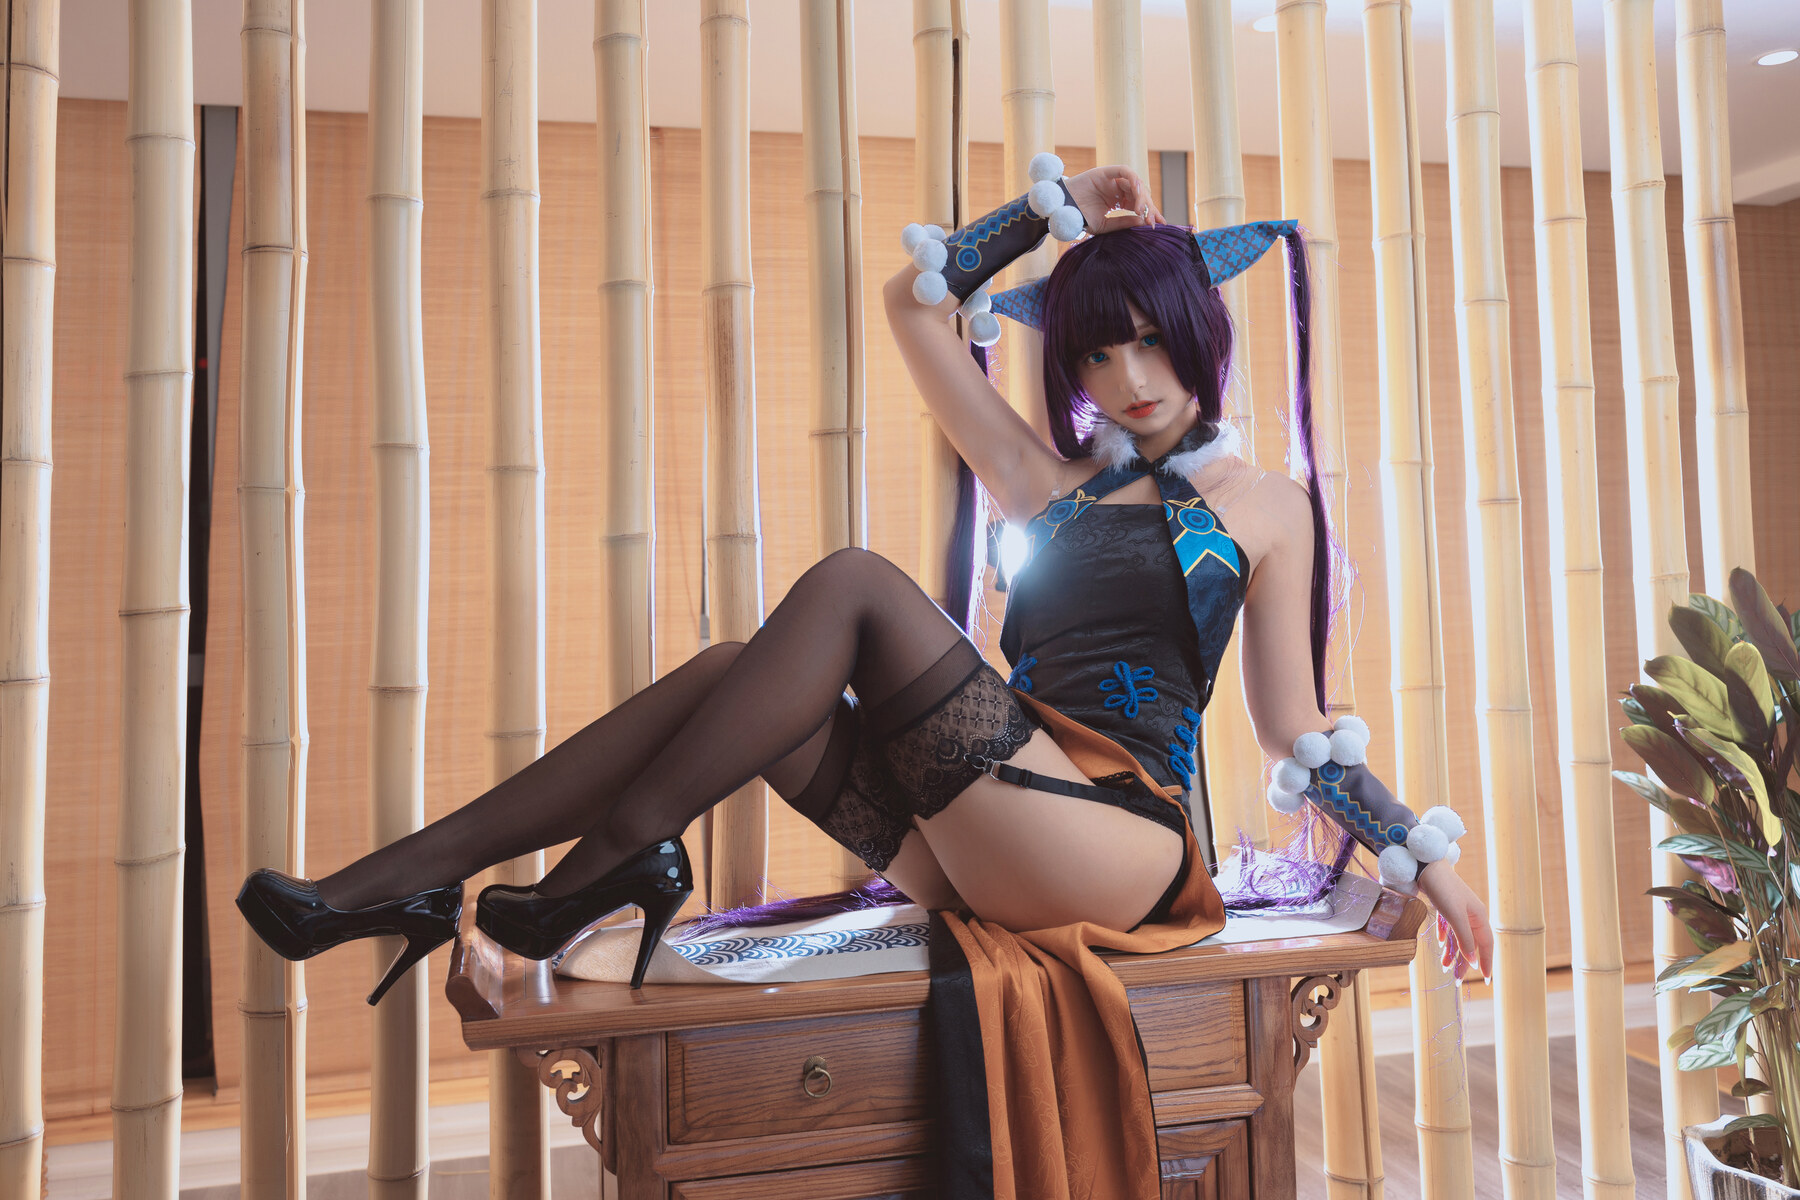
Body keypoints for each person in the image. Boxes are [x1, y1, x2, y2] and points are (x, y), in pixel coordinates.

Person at [237, 161, 1494, 1007]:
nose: (1128, 379)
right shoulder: (1043, 478)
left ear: (1201, 336)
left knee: (854, 584)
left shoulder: (1266, 506)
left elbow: (1293, 729)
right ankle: (396, 881)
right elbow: (911, 303)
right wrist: (1048, 213)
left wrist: (1419, 857)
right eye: (1097, 354)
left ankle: (610, 858)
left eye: (1153, 341)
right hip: (979, 837)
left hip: (1118, 842)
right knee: (734, 675)